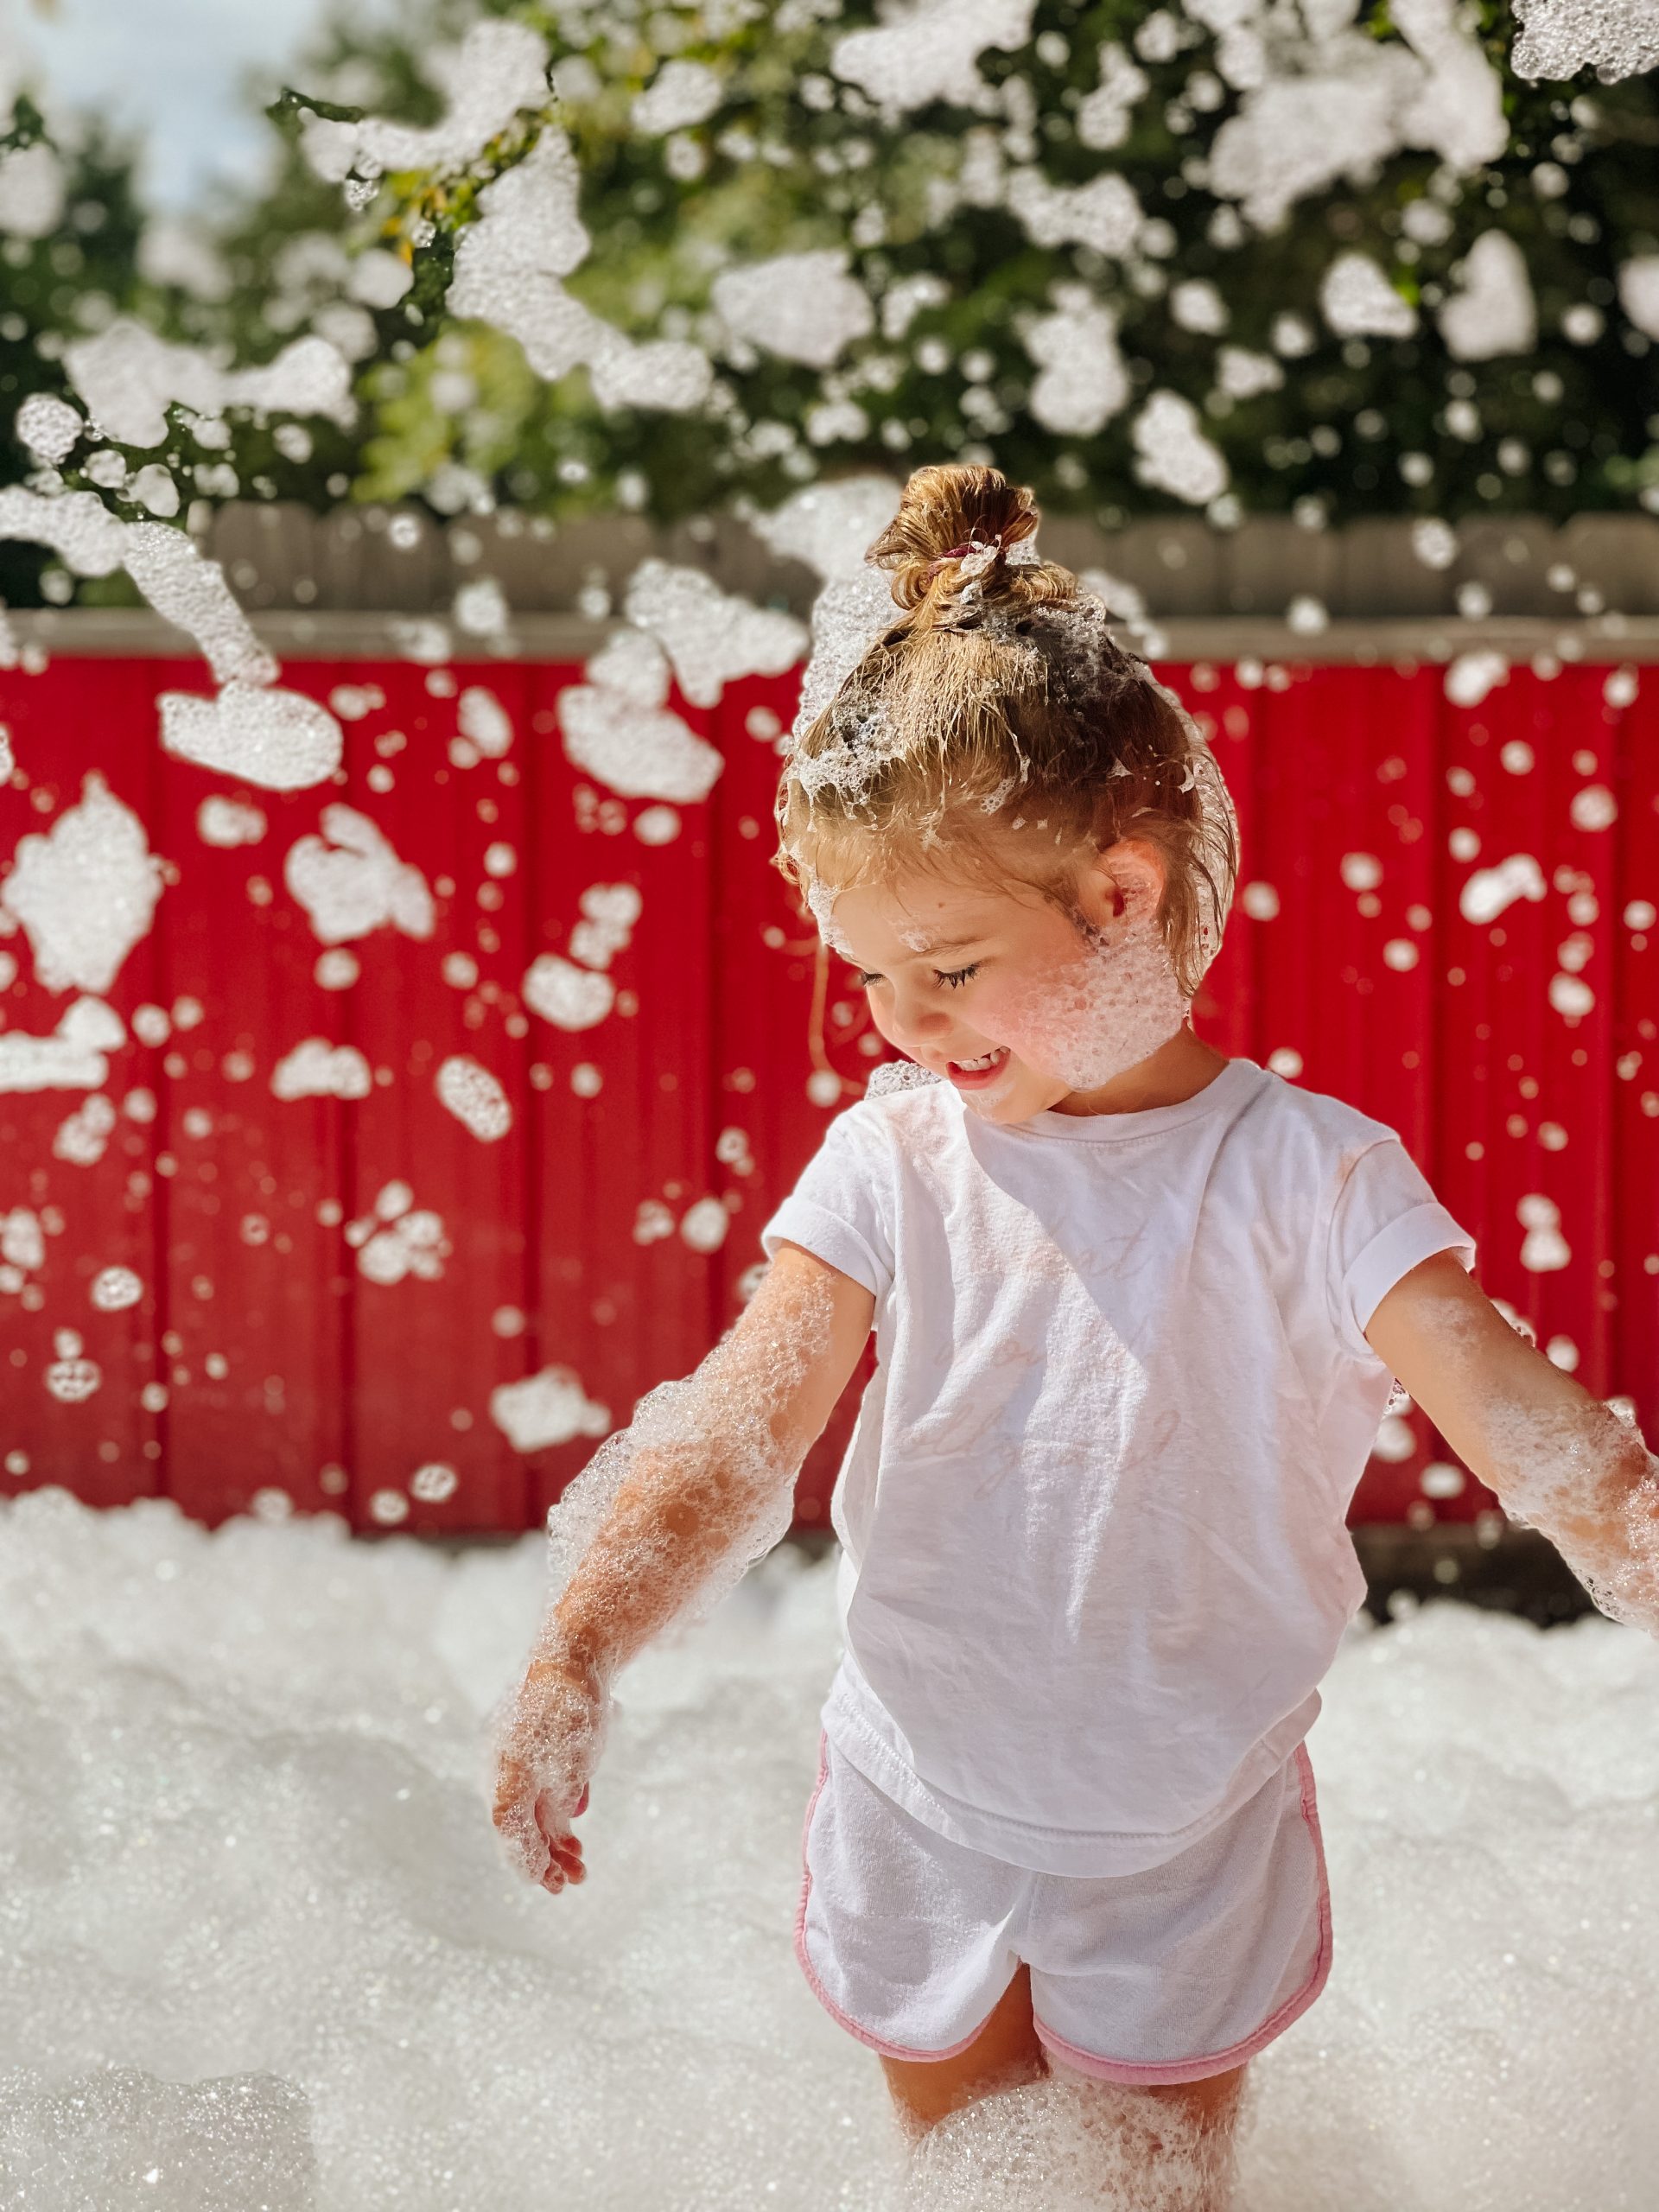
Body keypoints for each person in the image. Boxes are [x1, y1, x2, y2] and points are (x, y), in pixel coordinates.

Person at [491, 464, 1659, 2205]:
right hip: (925, 1790)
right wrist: (578, 1645)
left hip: (1183, 1820)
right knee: (969, 2181)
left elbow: (1524, 1420)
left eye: (951, 966)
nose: (905, 1021)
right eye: (872, 975)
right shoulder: (894, 1157)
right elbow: (743, 1425)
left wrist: (1631, 1537)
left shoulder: (1310, 1175)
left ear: (1125, 893)